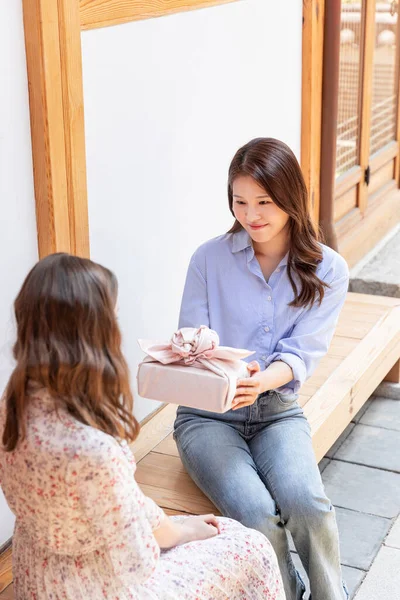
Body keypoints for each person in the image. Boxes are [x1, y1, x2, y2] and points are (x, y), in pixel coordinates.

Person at [0, 253, 285, 600]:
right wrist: (179, 533)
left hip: (37, 574)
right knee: (249, 544)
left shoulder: (13, 405)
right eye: (112, 318)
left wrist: (171, 527)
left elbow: (118, 505)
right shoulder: (93, 451)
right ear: (93, 333)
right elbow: (135, 557)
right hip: (97, 585)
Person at [174, 138, 350, 600]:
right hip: (207, 416)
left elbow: (303, 352)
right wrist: (222, 374)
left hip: (277, 410)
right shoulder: (207, 259)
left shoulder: (328, 269)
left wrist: (260, 382)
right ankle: (287, 593)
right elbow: (194, 341)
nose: (251, 215)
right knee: (255, 514)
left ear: (290, 199)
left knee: (308, 505)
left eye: (265, 202)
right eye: (240, 201)